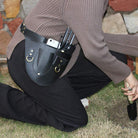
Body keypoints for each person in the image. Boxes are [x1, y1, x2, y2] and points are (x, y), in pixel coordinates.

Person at [0, 0, 138, 132]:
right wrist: (126, 74)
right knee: (74, 119)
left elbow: (94, 38)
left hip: (58, 56)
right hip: (31, 59)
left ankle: (58, 99)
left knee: (117, 59)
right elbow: (94, 51)